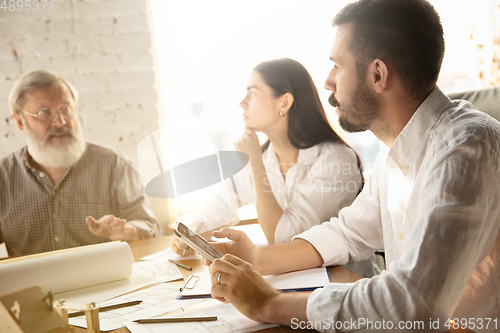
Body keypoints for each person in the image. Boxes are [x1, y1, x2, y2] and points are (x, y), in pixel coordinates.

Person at [206, 0, 500, 330]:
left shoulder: (467, 147)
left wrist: (269, 303)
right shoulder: (395, 156)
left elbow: (415, 302)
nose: (328, 81)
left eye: (337, 66)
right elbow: (347, 233)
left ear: (378, 74)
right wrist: (261, 259)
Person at [172, 58, 363, 253]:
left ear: (284, 102)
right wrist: (192, 234)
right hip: (292, 275)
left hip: (340, 278)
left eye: (252, 93)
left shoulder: (335, 160)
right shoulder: (266, 156)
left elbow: (284, 240)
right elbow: (222, 203)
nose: (242, 103)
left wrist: (254, 162)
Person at [0, 70, 160, 257]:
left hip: (104, 281)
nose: (60, 121)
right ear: (20, 122)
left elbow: (150, 227)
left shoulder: (115, 165)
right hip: (30, 285)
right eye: (44, 112)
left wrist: (129, 231)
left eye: (66, 109)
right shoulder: (3, 176)